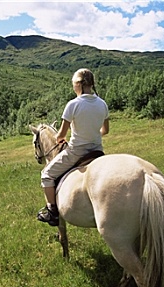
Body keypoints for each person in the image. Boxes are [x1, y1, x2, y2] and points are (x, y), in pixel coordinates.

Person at [37, 68, 109, 226]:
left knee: (46, 175)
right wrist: (91, 134)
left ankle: (52, 213)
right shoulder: (102, 104)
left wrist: (60, 138)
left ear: (78, 85)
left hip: (77, 152)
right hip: (97, 150)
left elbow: (61, 135)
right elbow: (105, 130)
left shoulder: (73, 104)